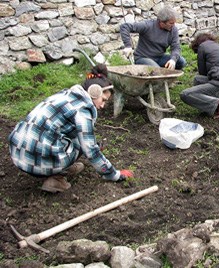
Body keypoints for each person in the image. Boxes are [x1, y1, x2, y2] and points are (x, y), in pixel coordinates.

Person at [8, 64, 134, 193]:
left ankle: (60, 164)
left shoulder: (66, 95)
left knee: (74, 137)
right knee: (82, 144)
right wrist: (115, 175)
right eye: (103, 100)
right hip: (34, 160)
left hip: (18, 151)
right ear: (94, 91)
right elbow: (90, 150)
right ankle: (57, 178)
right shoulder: (82, 111)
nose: (103, 105)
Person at [119, 6, 186, 70]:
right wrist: (128, 46)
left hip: (159, 58)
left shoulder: (173, 30)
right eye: (171, 23)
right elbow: (125, 27)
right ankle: (157, 73)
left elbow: (176, 47)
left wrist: (173, 60)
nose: (173, 25)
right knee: (157, 70)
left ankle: (162, 72)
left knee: (181, 62)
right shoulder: (147, 26)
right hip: (143, 58)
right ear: (162, 22)